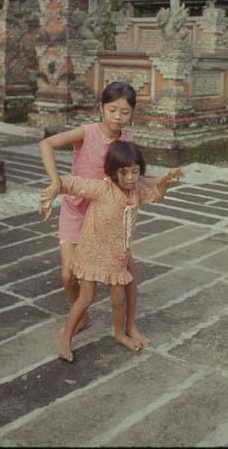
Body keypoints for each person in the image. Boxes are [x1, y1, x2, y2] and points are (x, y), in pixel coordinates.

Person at [38, 81, 161, 346]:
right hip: (77, 211)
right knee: (68, 275)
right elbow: (46, 144)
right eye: (112, 110)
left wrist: (162, 181)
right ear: (101, 108)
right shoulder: (87, 132)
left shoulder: (126, 141)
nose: (118, 116)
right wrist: (54, 182)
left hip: (109, 215)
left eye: (125, 112)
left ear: (132, 113)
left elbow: (135, 175)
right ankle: (81, 316)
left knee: (128, 272)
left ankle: (130, 326)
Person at [57, 141, 183, 362]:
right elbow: (72, 184)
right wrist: (51, 189)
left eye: (135, 172)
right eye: (124, 172)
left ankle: (119, 333)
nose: (131, 177)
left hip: (117, 257)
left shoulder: (136, 191)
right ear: (112, 170)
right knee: (85, 299)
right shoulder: (103, 188)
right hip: (92, 253)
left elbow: (157, 196)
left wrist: (166, 181)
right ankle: (66, 338)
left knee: (119, 300)